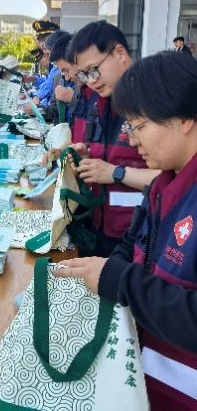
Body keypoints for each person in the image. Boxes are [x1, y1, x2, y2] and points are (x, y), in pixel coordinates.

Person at [55, 50, 197, 410]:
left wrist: (121, 281)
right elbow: (131, 247)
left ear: (185, 118)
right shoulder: (161, 187)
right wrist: (99, 274)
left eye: (140, 126)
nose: (132, 141)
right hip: (144, 384)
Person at [60, 21, 158, 257]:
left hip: (143, 236)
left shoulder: (155, 101)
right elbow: (109, 158)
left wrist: (116, 173)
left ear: (120, 53)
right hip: (102, 228)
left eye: (94, 69)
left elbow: (177, 180)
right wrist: (86, 157)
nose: (91, 80)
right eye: (84, 74)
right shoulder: (100, 103)